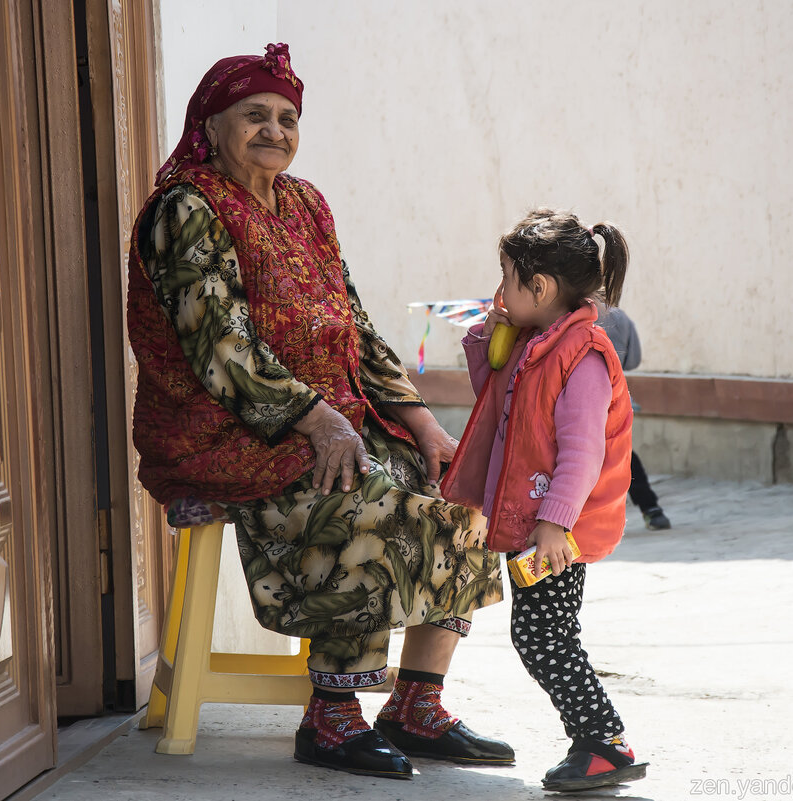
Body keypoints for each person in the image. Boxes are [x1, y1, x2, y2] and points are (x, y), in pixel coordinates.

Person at [126, 44, 513, 779]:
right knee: (369, 509)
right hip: (231, 430)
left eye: (287, 118)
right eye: (255, 115)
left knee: (461, 494)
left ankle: (417, 703)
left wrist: (420, 419)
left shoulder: (305, 202)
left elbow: (354, 324)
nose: (275, 129)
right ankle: (332, 716)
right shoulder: (187, 209)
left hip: (333, 416)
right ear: (210, 125)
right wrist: (315, 417)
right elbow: (221, 351)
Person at [441, 209, 648, 791]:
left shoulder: (581, 356)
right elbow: (497, 399)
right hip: (537, 524)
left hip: (556, 533)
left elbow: (581, 455)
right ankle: (599, 741)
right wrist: (489, 338)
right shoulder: (537, 344)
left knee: (542, 636)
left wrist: (554, 525)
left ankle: (603, 741)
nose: (499, 289)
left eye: (507, 278)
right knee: (547, 634)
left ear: (541, 287)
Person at [598, 307, 672, 530]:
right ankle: (651, 508)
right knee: (623, 453)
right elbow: (633, 361)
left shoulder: (561, 312)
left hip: (573, 400)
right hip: (615, 398)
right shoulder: (619, 317)